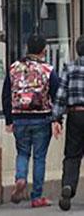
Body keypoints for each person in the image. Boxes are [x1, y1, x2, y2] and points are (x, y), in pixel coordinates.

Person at [2, 33, 59, 208]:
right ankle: (37, 197)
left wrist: (8, 119)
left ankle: (20, 178)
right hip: (42, 118)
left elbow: (5, 94)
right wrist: (57, 119)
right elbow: (56, 94)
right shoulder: (48, 70)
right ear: (43, 51)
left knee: (23, 153)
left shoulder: (13, 68)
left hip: (19, 117)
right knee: (39, 157)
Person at [51, 35, 84, 211]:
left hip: (75, 114)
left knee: (72, 155)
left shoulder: (69, 68)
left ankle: (68, 187)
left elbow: (61, 94)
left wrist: (56, 118)